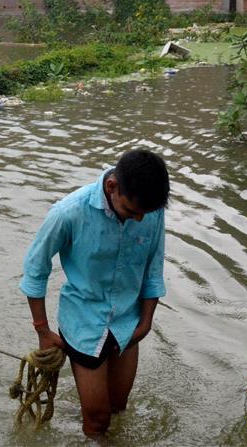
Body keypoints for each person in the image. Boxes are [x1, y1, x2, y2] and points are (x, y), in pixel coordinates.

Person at [19, 149, 170, 438]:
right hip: (84, 323)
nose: (140, 220)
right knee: (98, 419)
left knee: (118, 407)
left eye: (145, 214)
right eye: (131, 212)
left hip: (127, 325)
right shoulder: (68, 212)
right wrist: (42, 330)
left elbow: (154, 267)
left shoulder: (150, 209)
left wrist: (146, 321)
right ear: (112, 187)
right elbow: (35, 269)